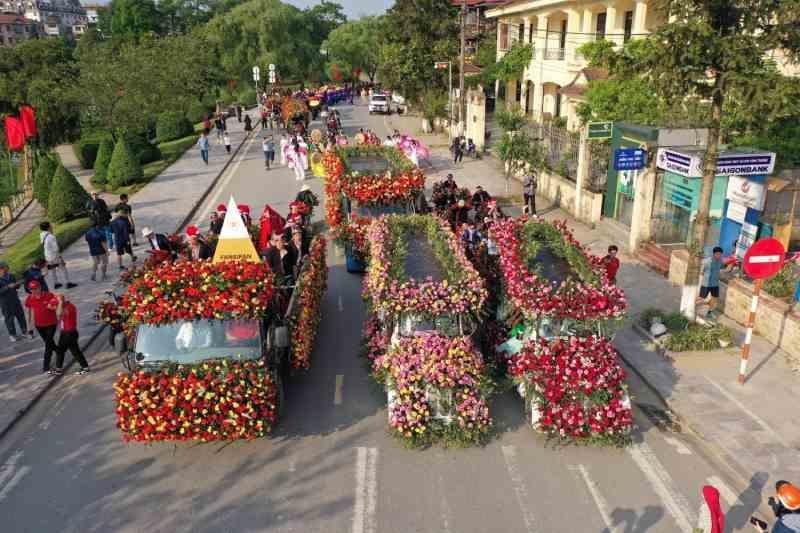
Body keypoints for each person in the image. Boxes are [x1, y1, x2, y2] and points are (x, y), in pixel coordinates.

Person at [24, 280, 59, 374]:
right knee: (50, 343)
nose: (34, 290)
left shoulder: (49, 295)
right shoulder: (29, 298)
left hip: (51, 324)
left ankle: (46, 365)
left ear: (40, 287)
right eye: (31, 289)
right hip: (39, 326)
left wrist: (52, 307)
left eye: (36, 288)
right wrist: (29, 328)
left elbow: (57, 307)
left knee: (48, 344)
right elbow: (28, 314)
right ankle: (59, 351)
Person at [53, 293, 90, 375]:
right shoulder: (67, 306)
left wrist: (59, 302)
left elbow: (58, 314)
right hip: (68, 333)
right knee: (75, 351)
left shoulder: (69, 307)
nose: (56, 305)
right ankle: (85, 367)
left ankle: (58, 369)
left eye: (57, 303)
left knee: (61, 351)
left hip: (68, 333)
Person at [40, 222, 76, 289]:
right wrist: (60, 258)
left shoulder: (42, 235)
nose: (52, 227)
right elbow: (56, 249)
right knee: (62, 268)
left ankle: (56, 283)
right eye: (50, 226)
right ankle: (67, 283)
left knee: (52, 269)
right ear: (48, 227)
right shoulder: (51, 236)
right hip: (54, 256)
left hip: (47, 256)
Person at [697, 246, 729, 319]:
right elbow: (702, 271)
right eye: (717, 254)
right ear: (714, 254)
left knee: (714, 298)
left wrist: (730, 265)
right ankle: (694, 309)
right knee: (701, 299)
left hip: (715, 284)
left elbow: (724, 269)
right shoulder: (707, 261)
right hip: (706, 284)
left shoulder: (720, 261)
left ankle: (709, 312)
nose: (719, 255)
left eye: (720, 254)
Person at [0, 261, 28, 342]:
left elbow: (16, 286)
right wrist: (8, 287)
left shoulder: (11, 276)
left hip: (15, 300)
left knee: (21, 316)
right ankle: (12, 334)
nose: (8, 268)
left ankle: (24, 331)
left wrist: (18, 284)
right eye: (6, 266)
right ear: (1, 269)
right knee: (9, 319)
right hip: (6, 303)